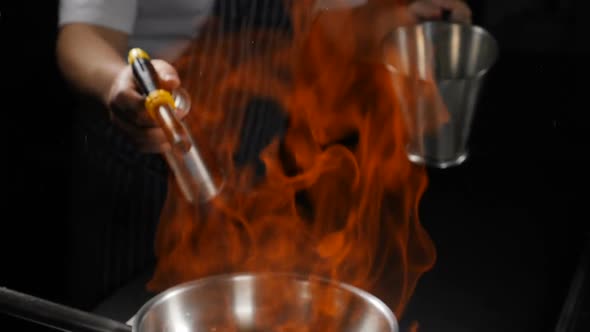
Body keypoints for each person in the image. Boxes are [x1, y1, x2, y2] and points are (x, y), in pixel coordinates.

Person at [56, 0, 472, 311]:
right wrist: (115, 82)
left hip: (256, 176)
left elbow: (334, 28)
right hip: (140, 176)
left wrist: (398, 25)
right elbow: (83, 36)